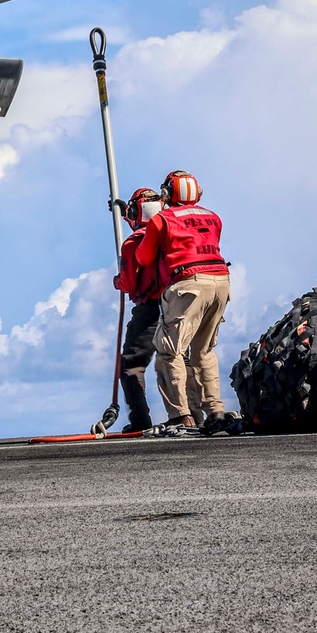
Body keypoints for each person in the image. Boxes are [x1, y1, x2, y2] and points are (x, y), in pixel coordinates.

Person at [134, 169, 239, 437]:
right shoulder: (213, 217)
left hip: (187, 285)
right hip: (221, 282)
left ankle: (181, 416)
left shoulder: (162, 220)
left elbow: (144, 258)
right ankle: (214, 410)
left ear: (167, 194)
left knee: (169, 351)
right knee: (203, 350)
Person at [112, 188, 204, 433]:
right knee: (180, 358)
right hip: (177, 304)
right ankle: (195, 415)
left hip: (149, 309)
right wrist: (125, 214)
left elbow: (129, 282)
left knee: (132, 364)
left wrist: (118, 281)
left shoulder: (133, 244)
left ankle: (140, 420)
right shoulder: (172, 234)